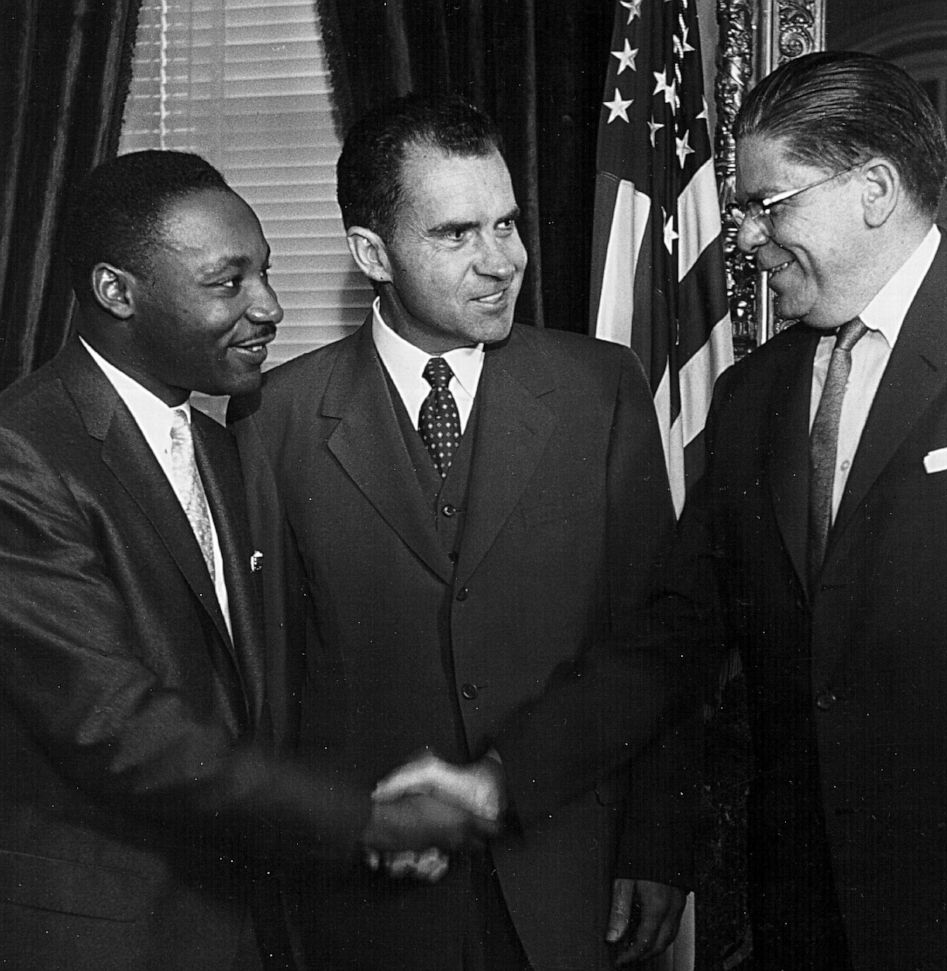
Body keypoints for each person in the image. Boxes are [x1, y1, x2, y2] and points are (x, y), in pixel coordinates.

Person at [230, 94, 700, 970]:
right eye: (456, 234)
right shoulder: (275, 420)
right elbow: (271, 697)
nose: (503, 262)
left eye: (508, 223)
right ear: (372, 252)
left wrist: (655, 848)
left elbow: (656, 640)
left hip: (568, 881)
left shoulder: (601, 388)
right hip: (366, 902)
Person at [0, 149, 488, 971]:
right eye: (228, 283)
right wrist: (362, 819)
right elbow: (116, 725)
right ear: (117, 291)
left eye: (264, 271)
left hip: (244, 927)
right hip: (102, 937)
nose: (269, 306)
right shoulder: (22, 455)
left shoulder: (221, 446)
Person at [661, 51, 947, 969]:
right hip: (801, 912)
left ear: (874, 188)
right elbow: (673, 638)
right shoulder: (747, 398)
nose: (742, 238)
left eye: (767, 206)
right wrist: (506, 775)